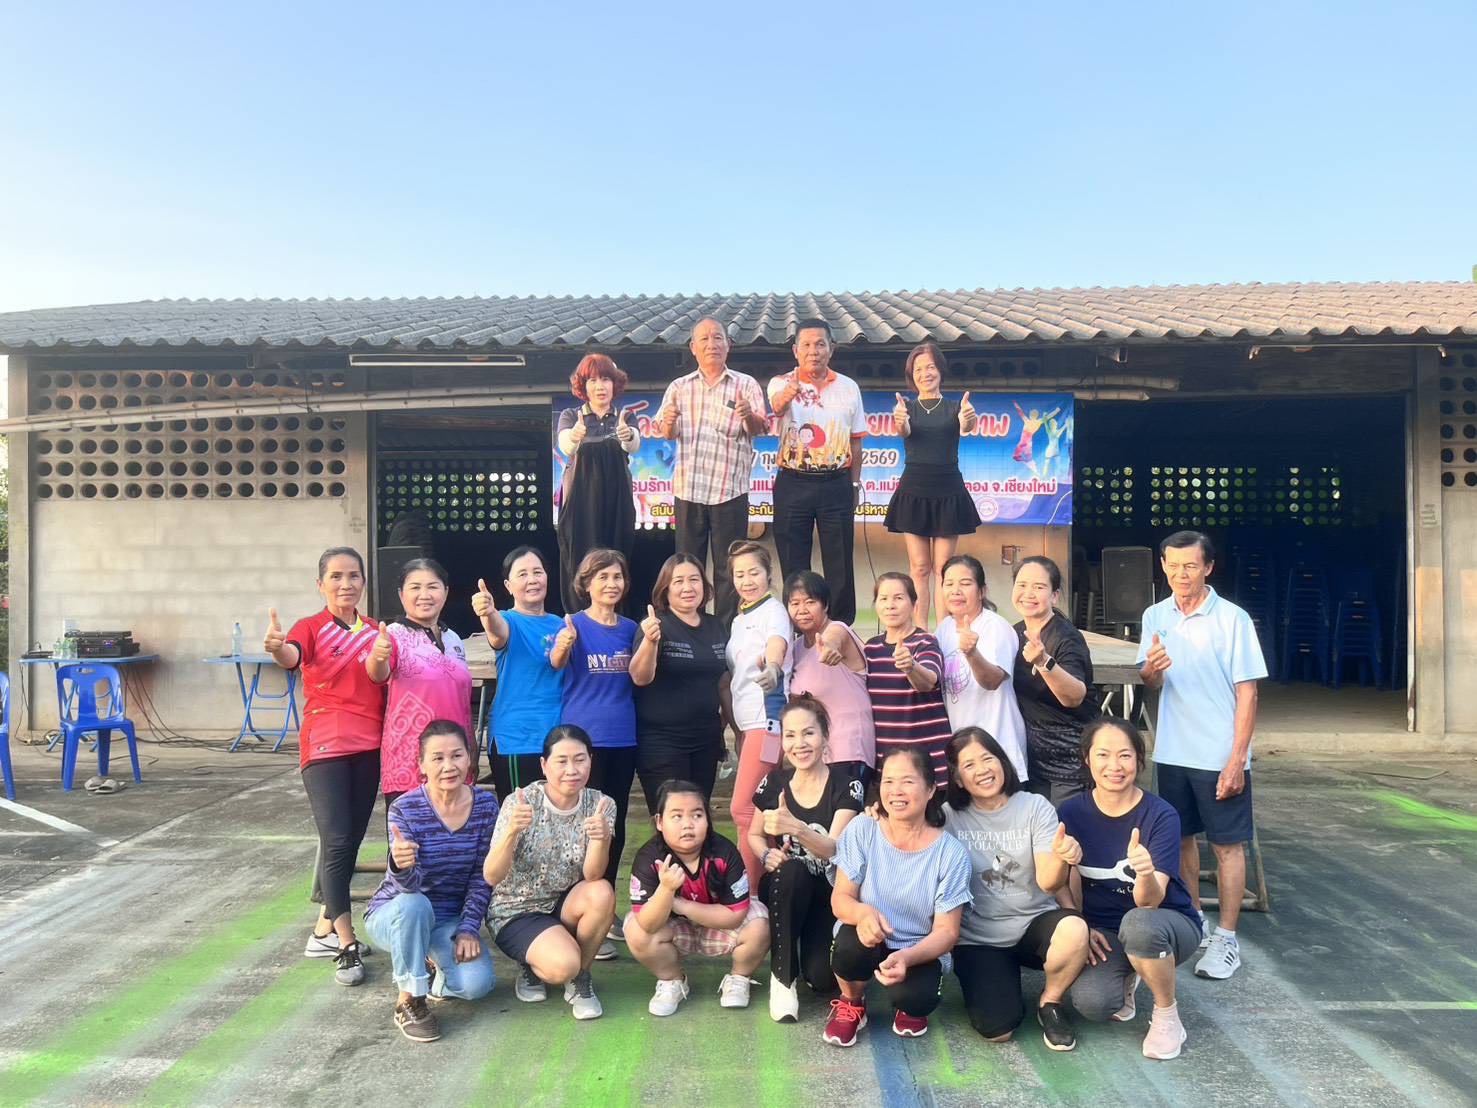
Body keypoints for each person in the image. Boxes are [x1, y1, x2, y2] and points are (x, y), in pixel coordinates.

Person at [1138, 530, 1266, 982]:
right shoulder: (1155, 615)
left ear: (1208, 568)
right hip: (1173, 750)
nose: (1181, 574)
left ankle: (1227, 938)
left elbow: (1248, 693)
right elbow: (1151, 682)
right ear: (1163, 566)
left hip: (1218, 754)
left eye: (1190, 566)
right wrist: (1151, 669)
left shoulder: (1233, 619)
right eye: (1173, 565)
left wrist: (1236, 759)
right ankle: (1195, 920)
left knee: (1228, 846)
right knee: (1182, 841)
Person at [265, 547, 385, 986]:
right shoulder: (310, 627)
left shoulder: (375, 630)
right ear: (321, 585)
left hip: (370, 745)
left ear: (363, 582)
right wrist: (278, 650)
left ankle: (323, 931)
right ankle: (347, 944)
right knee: (335, 840)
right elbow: (292, 656)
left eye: (353, 575)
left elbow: (381, 676)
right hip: (326, 747)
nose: (345, 584)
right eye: (336, 576)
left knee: (350, 841)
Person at [1059, 718, 1204, 1061]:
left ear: (1139, 760)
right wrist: (1081, 925)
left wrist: (1145, 872)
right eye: (1103, 755)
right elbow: (1065, 882)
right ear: (1087, 759)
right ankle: (1131, 972)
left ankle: (1167, 1014)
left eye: (1125, 755)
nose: (1114, 765)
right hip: (1106, 930)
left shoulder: (1161, 815)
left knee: (1139, 925)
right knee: (1093, 1003)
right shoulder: (1071, 812)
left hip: (1167, 923)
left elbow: (1150, 901)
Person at [943, 727, 1088, 1051]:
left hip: (1033, 924)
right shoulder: (948, 817)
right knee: (998, 1030)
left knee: (1075, 929)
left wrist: (1063, 857)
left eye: (988, 758)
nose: (982, 770)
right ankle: (999, 986)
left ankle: (1050, 1002)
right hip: (977, 937)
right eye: (969, 765)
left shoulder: (1034, 806)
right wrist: (875, 814)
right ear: (957, 779)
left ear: (1002, 761)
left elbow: (1049, 883)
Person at [824, 747, 972, 1047]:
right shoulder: (863, 828)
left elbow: (947, 932)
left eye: (907, 781)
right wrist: (864, 914)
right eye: (888, 781)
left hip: (918, 946)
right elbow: (841, 899)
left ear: (930, 789)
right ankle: (852, 1001)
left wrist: (907, 957)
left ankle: (907, 1005)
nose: (896, 791)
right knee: (848, 949)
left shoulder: (951, 853)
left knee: (917, 999)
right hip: (866, 936)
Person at [363, 721, 498, 1043]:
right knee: (415, 904)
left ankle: (430, 966)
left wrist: (468, 928)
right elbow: (408, 888)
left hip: (447, 920)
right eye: (437, 758)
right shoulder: (405, 808)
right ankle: (409, 1000)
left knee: (477, 985)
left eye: (457, 755)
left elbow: (483, 876)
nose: (448, 766)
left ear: (470, 758)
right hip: (396, 914)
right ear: (421, 765)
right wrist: (399, 864)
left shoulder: (486, 806)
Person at [483, 725, 617, 1021]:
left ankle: (581, 977)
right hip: (516, 910)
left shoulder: (601, 804)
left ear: (591, 760)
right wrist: (512, 831)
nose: (572, 770)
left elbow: (593, 875)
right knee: (562, 965)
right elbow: (491, 876)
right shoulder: (521, 802)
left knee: (602, 892)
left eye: (580, 759)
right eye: (561, 761)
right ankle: (531, 963)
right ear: (544, 765)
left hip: (563, 904)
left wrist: (602, 838)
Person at [552, 548, 659, 916]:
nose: (611, 584)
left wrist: (650, 640)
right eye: (603, 577)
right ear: (586, 584)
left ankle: (605, 904)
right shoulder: (572, 625)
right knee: (580, 822)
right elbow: (556, 663)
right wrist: (563, 645)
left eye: (617, 577)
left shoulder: (632, 629)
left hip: (623, 738)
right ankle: (571, 903)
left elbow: (642, 677)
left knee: (614, 822)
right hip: (582, 741)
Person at [746, 695, 864, 1022]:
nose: (799, 743)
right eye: (791, 735)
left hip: (829, 893)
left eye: (809, 733)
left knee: (823, 980)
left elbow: (833, 849)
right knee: (792, 871)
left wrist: (795, 827)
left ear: (825, 736)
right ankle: (782, 978)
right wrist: (767, 853)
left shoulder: (847, 784)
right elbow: (754, 835)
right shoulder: (774, 783)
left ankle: (806, 952)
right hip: (786, 887)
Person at [656, 317, 769, 623]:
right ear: (693, 347)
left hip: (729, 491)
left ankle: (726, 634)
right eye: (704, 339)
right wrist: (669, 421)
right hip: (688, 491)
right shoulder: (679, 387)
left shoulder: (746, 384)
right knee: (687, 568)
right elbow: (667, 432)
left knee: (729, 569)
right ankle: (689, 629)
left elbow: (760, 428)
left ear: (728, 345)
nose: (711, 344)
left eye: (718, 338)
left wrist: (748, 416)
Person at [626, 779, 771, 1015]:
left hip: (718, 924)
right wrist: (665, 890)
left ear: (707, 819)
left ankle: (739, 978)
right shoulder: (649, 857)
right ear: (660, 822)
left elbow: (735, 915)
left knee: (760, 925)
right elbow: (648, 923)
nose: (688, 824)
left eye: (697, 815)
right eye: (677, 816)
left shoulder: (724, 852)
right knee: (635, 930)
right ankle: (672, 980)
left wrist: (680, 904)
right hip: (675, 929)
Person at [767, 318, 867, 625]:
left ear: (831, 349)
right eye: (807, 345)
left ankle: (841, 628)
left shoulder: (849, 387)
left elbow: (856, 442)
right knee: (793, 560)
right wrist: (790, 393)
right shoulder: (781, 382)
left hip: (837, 482)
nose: (814, 351)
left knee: (840, 561)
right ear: (796, 351)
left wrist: (854, 485)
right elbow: (777, 407)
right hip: (793, 482)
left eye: (820, 344)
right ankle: (798, 630)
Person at [885, 343, 981, 626]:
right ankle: (920, 631)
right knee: (919, 567)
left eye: (930, 367)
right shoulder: (907, 408)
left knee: (943, 570)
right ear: (911, 375)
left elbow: (966, 427)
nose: (925, 373)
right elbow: (903, 430)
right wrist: (900, 421)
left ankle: (944, 630)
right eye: (918, 369)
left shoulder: (955, 407)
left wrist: (968, 419)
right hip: (914, 491)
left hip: (948, 491)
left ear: (940, 370)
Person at [366, 558, 472, 814]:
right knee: (409, 838)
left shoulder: (454, 638)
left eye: (433, 587)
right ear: (401, 594)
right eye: (415, 587)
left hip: (455, 762)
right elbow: (378, 674)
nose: (425, 595)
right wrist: (378, 657)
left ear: (446, 592)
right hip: (410, 764)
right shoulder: (392, 636)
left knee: (455, 836)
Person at [632, 554, 732, 810]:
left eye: (694, 580)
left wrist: (737, 730)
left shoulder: (716, 626)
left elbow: (723, 683)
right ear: (665, 589)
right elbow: (640, 677)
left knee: (698, 815)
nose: (688, 587)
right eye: (678, 581)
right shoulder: (655, 625)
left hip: (706, 741)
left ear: (704, 585)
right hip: (662, 743)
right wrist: (650, 641)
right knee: (671, 815)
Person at [725, 540, 792, 891]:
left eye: (754, 572)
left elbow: (776, 643)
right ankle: (767, 891)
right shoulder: (741, 618)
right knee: (763, 810)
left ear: (769, 574)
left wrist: (775, 667)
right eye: (740, 574)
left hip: (767, 723)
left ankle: (749, 894)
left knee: (745, 810)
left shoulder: (773, 611)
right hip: (749, 726)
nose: (747, 580)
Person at [472, 546, 564, 800]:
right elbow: (497, 632)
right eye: (522, 574)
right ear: (508, 586)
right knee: (519, 817)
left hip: (557, 738)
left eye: (537, 572)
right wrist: (488, 612)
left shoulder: (561, 625)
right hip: (516, 739)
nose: (532, 579)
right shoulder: (507, 620)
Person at [555, 354, 640, 614]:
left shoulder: (625, 417)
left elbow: (633, 444)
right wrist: (575, 435)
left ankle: (616, 617)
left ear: (615, 384)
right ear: (584, 386)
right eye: (592, 380)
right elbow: (565, 445)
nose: (600, 386)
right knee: (579, 559)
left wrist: (627, 435)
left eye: (605, 379)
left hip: (616, 502)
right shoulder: (571, 416)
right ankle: (579, 617)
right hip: (580, 504)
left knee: (617, 555)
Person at [934, 555, 1028, 783]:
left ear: (982, 591)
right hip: (963, 754)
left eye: (965, 583)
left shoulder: (995, 626)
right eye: (949, 583)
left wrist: (972, 653)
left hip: (999, 750)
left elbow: (992, 681)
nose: (956, 591)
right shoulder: (944, 629)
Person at [1011, 556, 1096, 805]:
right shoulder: (1013, 633)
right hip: (1032, 757)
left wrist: (1044, 662)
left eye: (1039, 587)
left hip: (1069, 761)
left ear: (1055, 595)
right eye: (1022, 585)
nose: (1028, 593)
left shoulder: (1066, 637)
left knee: (1065, 827)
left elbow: (1074, 697)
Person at [784, 570, 876, 782]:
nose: (802, 610)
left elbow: (834, 639)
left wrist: (830, 648)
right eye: (794, 603)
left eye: (810, 602)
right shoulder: (796, 648)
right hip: (815, 754)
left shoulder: (838, 629)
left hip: (849, 750)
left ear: (825, 605)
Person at [864, 572, 952, 786]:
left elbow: (928, 681)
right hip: (889, 767)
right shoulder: (870, 649)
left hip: (930, 764)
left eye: (898, 598)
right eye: (883, 599)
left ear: (914, 604)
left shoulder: (925, 642)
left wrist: (911, 666)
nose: (890, 605)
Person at [1010, 402, 1060, 477]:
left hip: (1025, 442)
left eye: (1031, 414)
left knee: (1025, 458)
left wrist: (1016, 404)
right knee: (1022, 457)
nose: (1030, 415)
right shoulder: (1037, 422)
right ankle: (1034, 470)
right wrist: (1056, 411)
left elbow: (1020, 412)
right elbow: (1048, 417)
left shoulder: (1028, 421)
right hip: (1026, 442)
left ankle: (1036, 471)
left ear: (1031, 415)